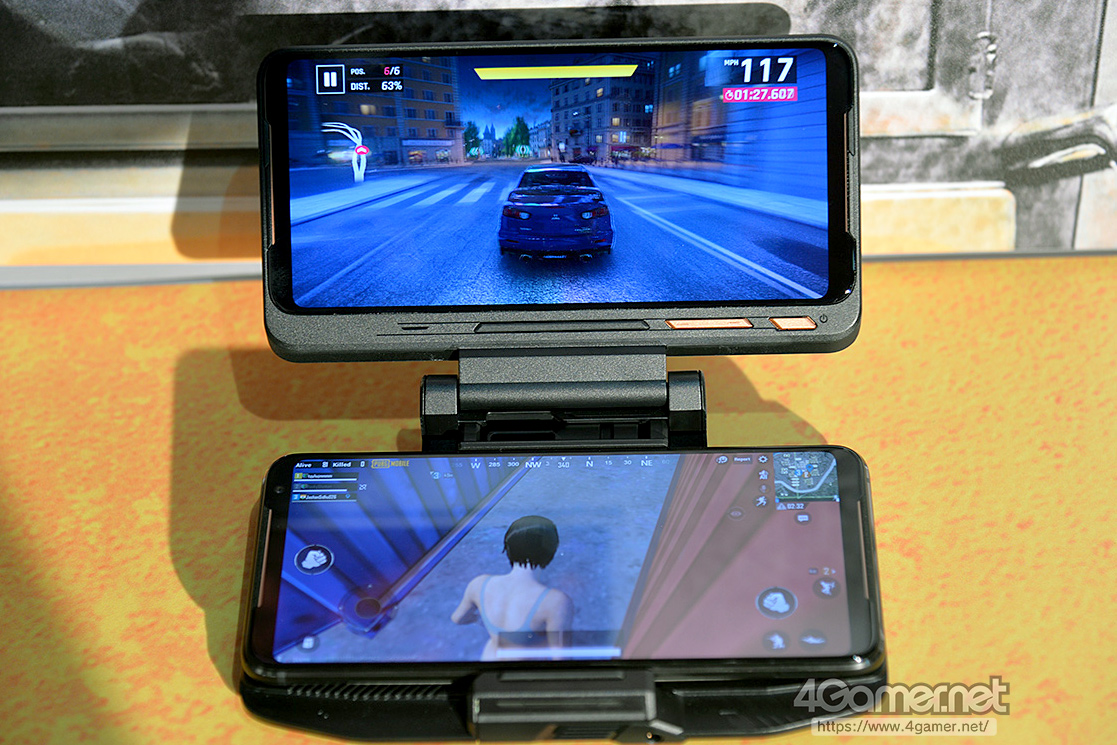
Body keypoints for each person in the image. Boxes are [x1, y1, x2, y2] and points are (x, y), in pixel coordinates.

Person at [451, 516, 574, 660]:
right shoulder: (555, 601)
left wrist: (485, 621)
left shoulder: (479, 584)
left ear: (508, 547)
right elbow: (560, 658)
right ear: (550, 550)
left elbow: (458, 618)